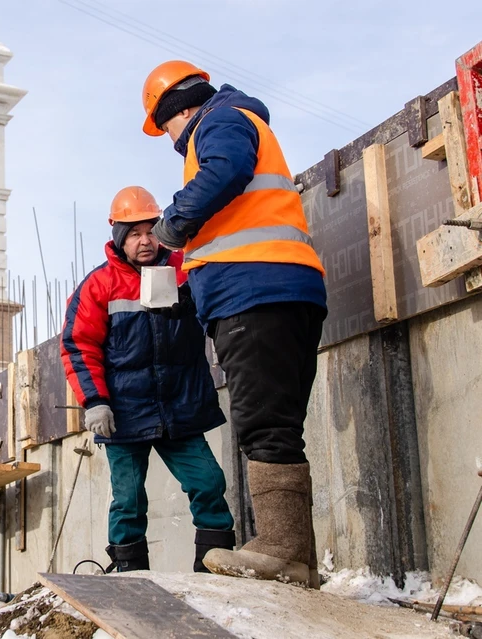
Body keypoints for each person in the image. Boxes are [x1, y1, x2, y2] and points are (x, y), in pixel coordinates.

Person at [139, 60, 327, 587]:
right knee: (280, 426)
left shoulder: (218, 122)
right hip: (282, 288)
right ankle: (297, 557)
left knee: (263, 424)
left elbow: (224, 171)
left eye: (166, 128)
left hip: (254, 293)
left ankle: (284, 549)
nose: (172, 140)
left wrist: (174, 222)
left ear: (178, 110)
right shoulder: (241, 120)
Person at [60, 185, 235, 574]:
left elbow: (218, 314)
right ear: (120, 238)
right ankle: (130, 576)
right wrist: (95, 401)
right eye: (135, 233)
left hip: (181, 408)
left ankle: (215, 572)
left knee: (208, 483)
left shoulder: (186, 271)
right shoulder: (98, 286)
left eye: (151, 230)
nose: (145, 240)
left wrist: (192, 302)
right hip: (125, 413)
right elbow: (77, 345)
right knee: (127, 500)